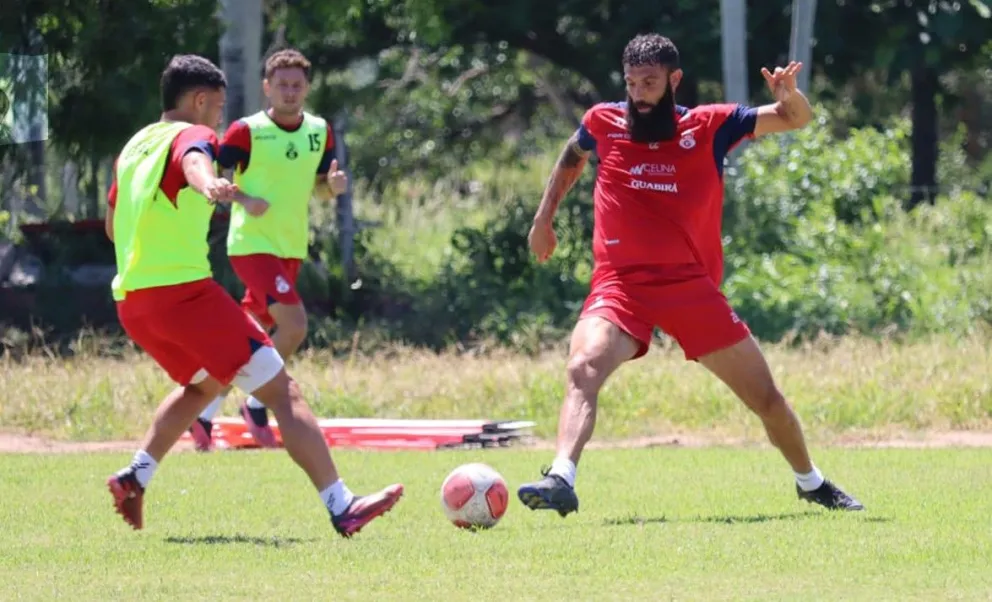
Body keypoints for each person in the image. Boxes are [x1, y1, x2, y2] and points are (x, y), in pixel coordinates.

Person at [516, 34, 864, 517]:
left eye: (650, 82)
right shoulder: (604, 120)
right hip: (622, 285)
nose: (639, 93)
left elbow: (795, 119)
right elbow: (572, 156)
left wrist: (790, 96)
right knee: (583, 368)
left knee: (765, 399)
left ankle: (811, 481)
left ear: (674, 81)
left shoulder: (710, 125)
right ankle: (561, 477)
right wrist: (543, 218)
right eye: (632, 82)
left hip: (690, 288)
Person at [104, 54, 403, 537]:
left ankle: (134, 477)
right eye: (218, 107)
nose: (219, 117)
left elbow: (111, 224)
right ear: (199, 100)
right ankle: (342, 504)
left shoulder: (135, 145)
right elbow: (196, 159)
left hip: (133, 302)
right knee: (284, 392)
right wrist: (208, 184)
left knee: (202, 388)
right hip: (185, 297)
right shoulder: (191, 135)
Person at [187, 48, 345, 451]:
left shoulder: (319, 130)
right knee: (294, 326)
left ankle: (201, 415)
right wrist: (244, 200)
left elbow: (322, 188)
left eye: (296, 85)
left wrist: (332, 187)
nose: (289, 92)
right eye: (281, 85)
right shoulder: (246, 131)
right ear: (266, 87)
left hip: (290, 246)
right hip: (252, 245)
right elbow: (217, 185)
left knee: (245, 339)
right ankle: (257, 403)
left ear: (307, 88)